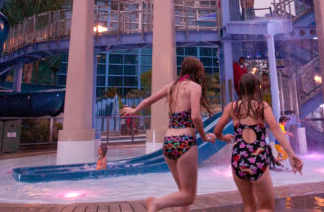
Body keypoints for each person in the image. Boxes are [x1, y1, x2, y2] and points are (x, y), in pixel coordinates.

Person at [121, 57, 216, 211]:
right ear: (197, 71)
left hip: (169, 143)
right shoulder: (195, 87)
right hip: (185, 142)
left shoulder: (171, 86)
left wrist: (134, 111)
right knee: (189, 196)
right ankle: (157, 203)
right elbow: (195, 117)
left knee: (182, 194)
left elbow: (146, 102)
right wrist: (204, 136)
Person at [214, 74, 303, 211]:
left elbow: (217, 131)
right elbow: (276, 131)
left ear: (240, 89)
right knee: (266, 207)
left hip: (239, 160)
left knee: (249, 206)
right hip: (258, 159)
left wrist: (223, 138)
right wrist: (291, 154)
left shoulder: (232, 107)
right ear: (256, 88)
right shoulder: (262, 107)